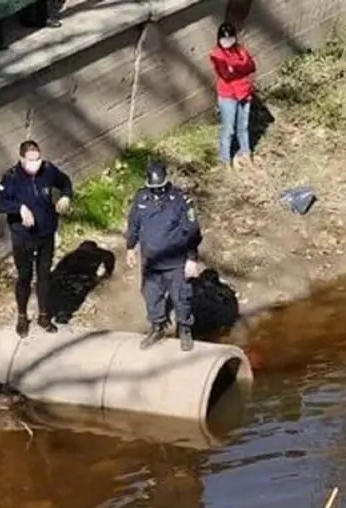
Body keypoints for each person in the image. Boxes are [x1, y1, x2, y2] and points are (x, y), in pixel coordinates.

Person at [0, 140, 74, 337]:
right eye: (31, 160)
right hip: (23, 236)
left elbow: (65, 181)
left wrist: (66, 196)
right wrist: (19, 209)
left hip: (45, 233)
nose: (35, 164)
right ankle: (22, 316)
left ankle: (44, 315)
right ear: (22, 159)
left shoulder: (48, 170)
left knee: (44, 274)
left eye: (37, 159)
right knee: (24, 276)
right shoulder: (12, 178)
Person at [124, 160, 202, 351]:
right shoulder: (141, 199)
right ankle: (157, 327)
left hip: (175, 261)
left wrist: (192, 258)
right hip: (151, 261)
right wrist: (130, 247)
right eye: (153, 188)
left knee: (181, 298)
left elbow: (192, 230)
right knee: (152, 297)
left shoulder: (180, 200)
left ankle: (185, 329)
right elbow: (133, 224)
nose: (157, 192)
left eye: (160, 188)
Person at [209, 22, 257, 168]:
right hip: (228, 95)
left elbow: (252, 66)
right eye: (224, 39)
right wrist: (241, 67)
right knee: (228, 129)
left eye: (230, 39)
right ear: (219, 39)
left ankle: (245, 153)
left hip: (244, 93)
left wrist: (234, 67)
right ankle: (225, 160)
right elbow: (226, 74)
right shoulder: (216, 54)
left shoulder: (240, 50)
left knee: (243, 126)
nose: (227, 42)